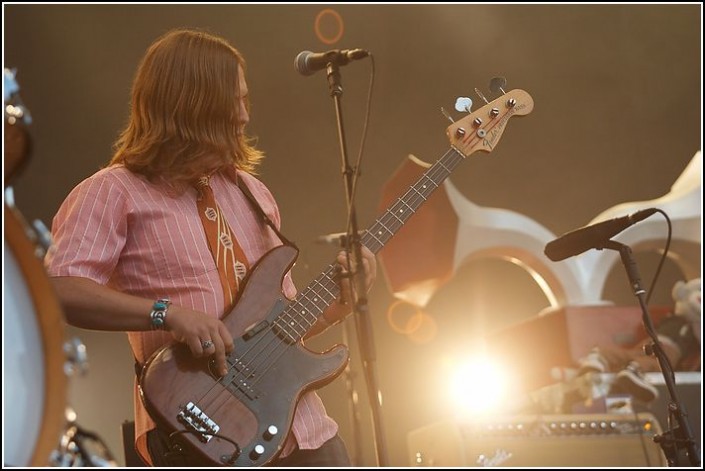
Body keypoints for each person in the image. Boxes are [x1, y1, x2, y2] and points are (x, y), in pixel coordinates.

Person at [45, 28, 377, 467]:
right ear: (195, 102)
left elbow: (276, 328)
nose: (244, 116)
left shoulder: (252, 193)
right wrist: (167, 314)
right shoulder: (112, 192)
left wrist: (339, 305)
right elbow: (56, 290)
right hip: (201, 434)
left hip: (306, 436)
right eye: (235, 101)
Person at [577, 277, 701, 404]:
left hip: (651, 340)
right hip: (671, 348)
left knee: (630, 354)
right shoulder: (691, 325)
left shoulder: (671, 318)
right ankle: (634, 371)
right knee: (661, 364)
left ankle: (599, 356)